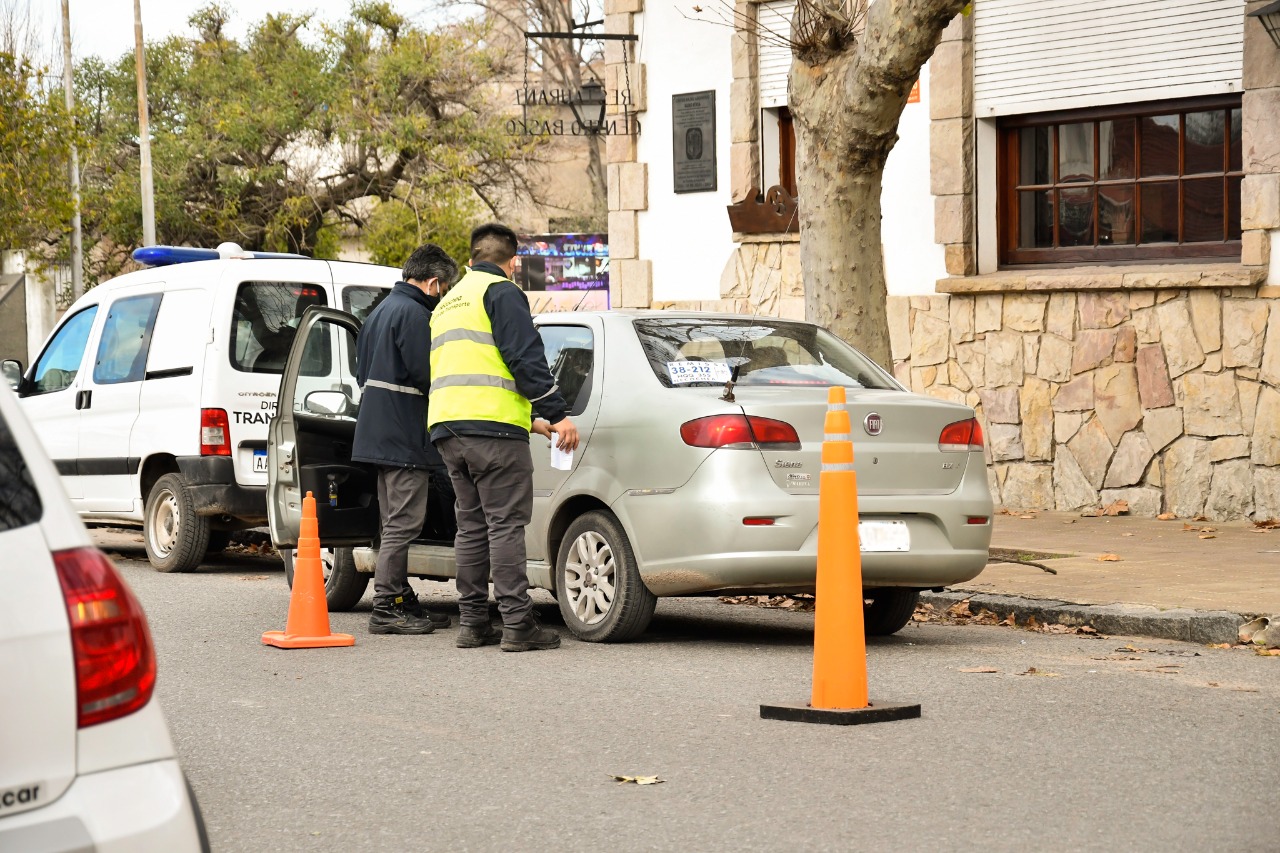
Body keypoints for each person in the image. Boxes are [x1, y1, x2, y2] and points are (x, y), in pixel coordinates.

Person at [428, 223, 580, 652]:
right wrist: (557, 414)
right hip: (493, 432)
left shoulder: (448, 301)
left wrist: (530, 420)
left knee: (471, 527)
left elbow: (469, 368)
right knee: (506, 525)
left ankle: (473, 622)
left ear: (470, 259)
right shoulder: (502, 292)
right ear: (513, 262)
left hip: (448, 428)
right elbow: (523, 357)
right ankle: (517, 624)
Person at [353, 243, 459, 635]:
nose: (443, 296)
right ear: (433, 283)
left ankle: (399, 596)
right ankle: (386, 605)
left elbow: (362, 373)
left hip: (379, 435)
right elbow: (429, 375)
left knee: (392, 522)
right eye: (445, 288)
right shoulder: (415, 315)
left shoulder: (378, 312)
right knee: (403, 523)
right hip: (403, 438)